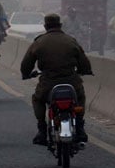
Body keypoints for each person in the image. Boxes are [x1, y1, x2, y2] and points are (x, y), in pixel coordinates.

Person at [20, 13, 93, 145]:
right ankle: (80, 128)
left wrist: (26, 74)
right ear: (60, 25)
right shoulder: (71, 40)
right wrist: (85, 71)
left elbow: (26, 64)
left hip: (48, 83)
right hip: (71, 82)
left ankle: (42, 130)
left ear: (45, 26)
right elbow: (84, 63)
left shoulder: (39, 42)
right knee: (80, 97)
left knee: (38, 99)